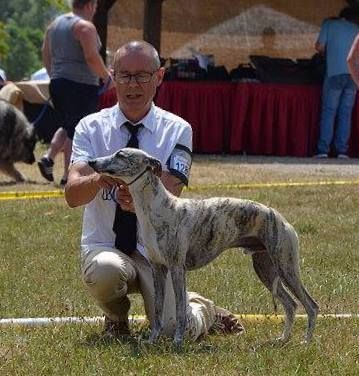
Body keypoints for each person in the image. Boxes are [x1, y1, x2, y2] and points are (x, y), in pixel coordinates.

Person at [64, 40, 244, 340]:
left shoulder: (178, 130)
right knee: (105, 272)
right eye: (124, 75)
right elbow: (72, 195)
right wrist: (99, 179)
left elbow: (172, 192)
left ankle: (202, 310)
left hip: (156, 254)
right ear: (113, 76)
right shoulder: (89, 127)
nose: (132, 84)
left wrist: (136, 199)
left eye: (142, 75)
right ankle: (116, 320)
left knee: (176, 330)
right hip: (106, 247)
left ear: (159, 77)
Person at [38, 0, 111, 186]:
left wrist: (54, 74)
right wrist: (107, 77)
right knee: (77, 129)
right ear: (90, 5)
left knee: (67, 124)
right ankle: (67, 177)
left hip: (58, 81)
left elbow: (45, 52)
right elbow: (91, 57)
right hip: (81, 85)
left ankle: (49, 157)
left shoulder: (54, 25)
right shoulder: (85, 27)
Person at [314, 7, 359, 159]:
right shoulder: (357, 29)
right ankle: (342, 151)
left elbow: (319, 47)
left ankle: (323, 150)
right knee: (345, 113)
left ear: (341, 17)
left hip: (334, 73)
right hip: (353, 75)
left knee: (329, 111)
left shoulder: (329, 24)